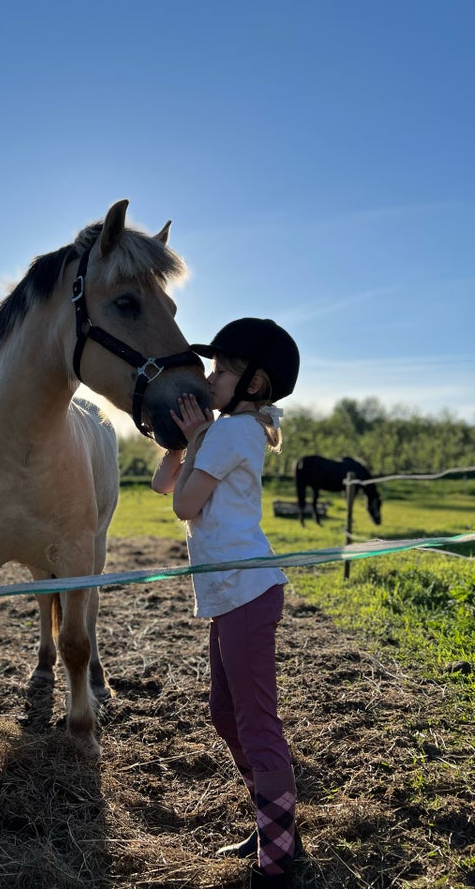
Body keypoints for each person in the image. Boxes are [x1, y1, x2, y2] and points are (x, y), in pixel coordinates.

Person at [151, 317, 301, 889]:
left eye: (223, 370)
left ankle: (279, 857)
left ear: (254, 385)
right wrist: (177, 440)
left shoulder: (238, 433)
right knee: (224, 711)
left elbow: (185, 505)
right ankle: (273, 823)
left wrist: (195, 442)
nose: (210, 378)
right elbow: (166, 485)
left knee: (257, 721)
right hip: (230, 595)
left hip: (246, 593)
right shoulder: (222, 430)